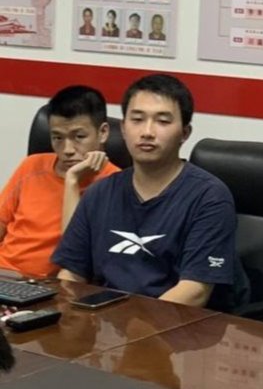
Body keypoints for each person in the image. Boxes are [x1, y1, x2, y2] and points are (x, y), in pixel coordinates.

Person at [53, 74, 238, 308]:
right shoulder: (99, 193)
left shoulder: (209, 197)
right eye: (137, 119)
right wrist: (65, 316)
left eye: (163, 121)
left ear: (185, 133)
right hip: (102, 321)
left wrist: (131, 326)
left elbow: (194, 291)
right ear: (123, 128)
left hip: (176, 325)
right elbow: (71, 273)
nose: (147, 132)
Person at [0, 86, 118, 278]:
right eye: (58, 138)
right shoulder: (32, 166)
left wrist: (72, 181)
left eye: (79, 137)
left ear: (103, 132)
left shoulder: (114, 183)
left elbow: (75, 252)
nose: (67, 149)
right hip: (4, 274)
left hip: (44, 285)